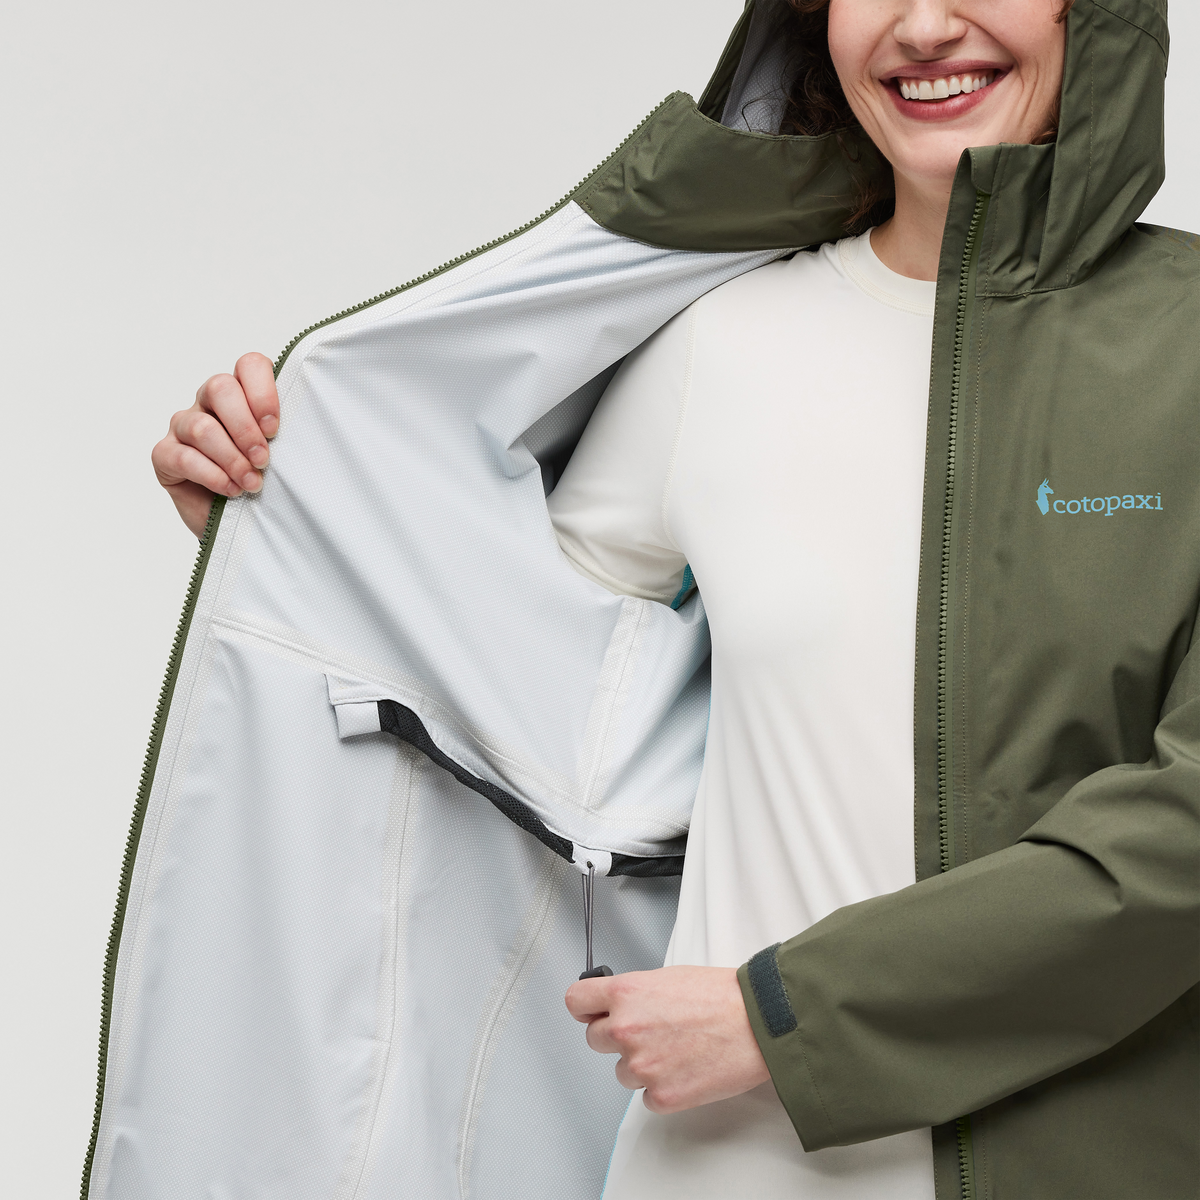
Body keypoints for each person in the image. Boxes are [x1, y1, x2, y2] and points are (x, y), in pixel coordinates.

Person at [150, 1, 1197, 1198]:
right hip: (722, 1164)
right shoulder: (723, 340)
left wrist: (786, 1019)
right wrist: (287, 515)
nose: (921, 25)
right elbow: (526, 698)